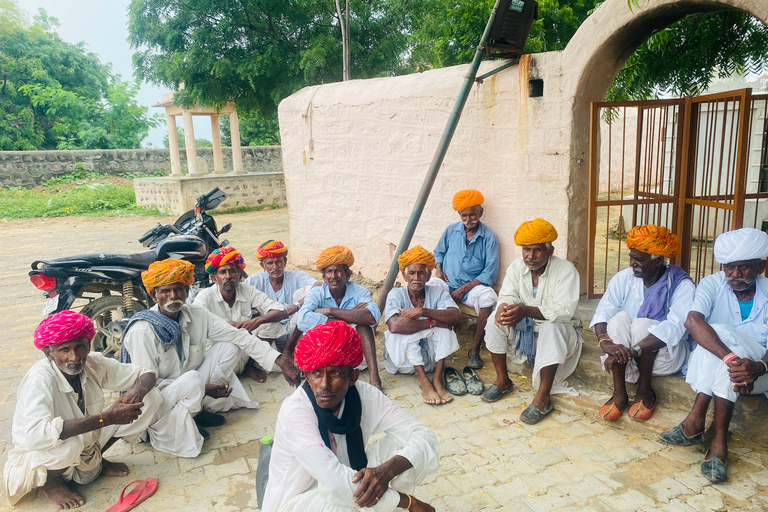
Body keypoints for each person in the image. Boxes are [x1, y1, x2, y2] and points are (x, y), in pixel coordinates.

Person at [122, 259, 300, 458]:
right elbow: (147, 384)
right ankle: (185, 418)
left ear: (187, 291)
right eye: (165, 291)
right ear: (154, 295)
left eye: (179, 290)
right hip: (160, 396)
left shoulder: (197, 314)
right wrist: (201, 387)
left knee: (230, 345)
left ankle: (196, 410)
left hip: (190, 382)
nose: (173, 296)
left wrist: (280, 360)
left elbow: (239, 335)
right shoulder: (142, 330)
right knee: (192, 380)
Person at [262, 321, 439, 512]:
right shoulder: (295, 411)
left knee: (403, 449)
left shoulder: (366, 395)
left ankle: (378, 503)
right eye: (316, 373)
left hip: (345, 479)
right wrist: (408, 502)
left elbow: (423, 436)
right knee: (342, 504)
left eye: (335, 373)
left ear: (353, 377)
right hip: (297, 502)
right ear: (306, 374)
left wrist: (387, 471)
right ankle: (384, 503)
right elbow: (335, 483)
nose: (324, 385)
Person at [4, 311, 161, 509]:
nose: (74, 357)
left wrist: (137, 391)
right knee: (70, 444)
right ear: (49, 353)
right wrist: (106, 419)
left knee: (151, 396)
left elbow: (146, 373)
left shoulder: (93, 362)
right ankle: (51, 484)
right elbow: (37, 435)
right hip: (43, 453)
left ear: (88, 345)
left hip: (84, 442)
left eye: (80, 347)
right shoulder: (40, 379)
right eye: (64, 350)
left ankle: (97, 461)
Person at [659, 228, 768, 483]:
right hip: (730, 369)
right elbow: (692, 322)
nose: (735, 275)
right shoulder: (713, 283)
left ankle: (695, 423)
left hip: (758, 374)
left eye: (744, 268)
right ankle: (718, 444)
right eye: (729, 267)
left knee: (717, 336)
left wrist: (760, 366)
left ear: (761, 266)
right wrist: (731, 359)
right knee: (717, 336)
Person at [481, 218, 582, 425]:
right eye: (526, 250)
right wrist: (503, 307)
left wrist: (526, 310)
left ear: (550, 250)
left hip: (562, 333)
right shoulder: (517, 267)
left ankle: (542, 398)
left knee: (551, 328)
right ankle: (503, 381)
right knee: (494, 319)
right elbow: (507, 295)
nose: (530, 256)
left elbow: (564, 311)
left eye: (537, 250)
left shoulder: (566, 270)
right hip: (526, 331)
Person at [590, 225, 694, 421]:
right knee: (619, 318)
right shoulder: (624, 278)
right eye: (632, 257)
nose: (632, 263)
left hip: (663, 359)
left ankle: (645, 391)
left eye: (639, 259)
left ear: (658, 261)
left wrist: (633, 350)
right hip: (627, 356)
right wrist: (604, 341)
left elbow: (673, 328)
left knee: (641, 324)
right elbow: (603, 311)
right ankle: (619, 393)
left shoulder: (682, 286)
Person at [194, 246, 290, 382]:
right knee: (232, 343)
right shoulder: (204, 298)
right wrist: (226, 328)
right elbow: (196, 332)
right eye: (222, 272)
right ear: (214, 278)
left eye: (232, 271)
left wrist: (256, 321)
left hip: (246, 353)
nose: (228, 276)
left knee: (270, 324)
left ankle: (248, 367)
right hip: (220, 355)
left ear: (239, 274)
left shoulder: (247, 290)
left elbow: (280, 311)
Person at [428, 189, 499, 370]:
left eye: (472, 215)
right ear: (459, 215)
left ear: (480, 213)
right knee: (428, 287)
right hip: (447, 281)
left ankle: (474, 349)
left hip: (471, 287)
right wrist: (438, 269)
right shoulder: (451, 230)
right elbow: (439, 252)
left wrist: (465, 288)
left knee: (489, 297)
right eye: (464, 215)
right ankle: (430, 341)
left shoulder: (489, 238)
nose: (468, 219)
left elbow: (490, 273)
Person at [384, 246, 463, 405]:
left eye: (421, 273)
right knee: (407, 330)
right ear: (405, 276)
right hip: (404, 362)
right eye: (411, 273)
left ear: (428, 276)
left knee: (445, 329)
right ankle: (423, 381)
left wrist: (423, 311)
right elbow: (394, 325)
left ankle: (437, 379)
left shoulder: (437, 292)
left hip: (432, 359)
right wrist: (431, 322)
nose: (416, 277)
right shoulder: (395, 294)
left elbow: (456, 316)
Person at [297, 246, 383, 389]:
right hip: (326, 350)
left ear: (348, 274)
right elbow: (302, 320)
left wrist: (331, 311)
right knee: (313, 330)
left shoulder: (359, 291)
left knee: (364, 326)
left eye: (338, 271)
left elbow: (372, 316)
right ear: (324, 276)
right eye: (329, 272)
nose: (333, 276)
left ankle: (375, 378)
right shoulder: (316, 293)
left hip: (351, 350)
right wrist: (349, 317)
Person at [244, 240, 320, 359]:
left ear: (284, 261)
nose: (275, 267)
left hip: (295, 332)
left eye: (279, 262)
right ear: (262, 265)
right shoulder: (255, 280)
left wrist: (297, 305)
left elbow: (319, 286)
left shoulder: (296, 276)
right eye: (270, 263)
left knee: (307, 316)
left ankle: (291, 350)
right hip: (268, 332)